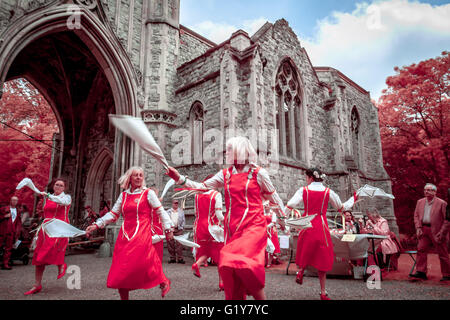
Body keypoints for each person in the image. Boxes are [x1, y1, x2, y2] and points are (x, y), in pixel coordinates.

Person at [166, 136, 286, 300]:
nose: (226, 152)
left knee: (240, 262)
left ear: (239, 150)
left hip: (253, 226)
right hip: (233, 229)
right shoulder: (226, 174)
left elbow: (275, 198)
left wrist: (282, 219)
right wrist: (179, 178)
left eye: (229, 149)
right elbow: (203, 187)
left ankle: (253, 288)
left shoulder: (259, 173)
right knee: (228, 267)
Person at [86, 166, 174, 300]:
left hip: (142, 231)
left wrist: (168, 229)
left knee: (145, 259)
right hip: (125, 233)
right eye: (135, 175)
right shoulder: (124, 195)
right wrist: (96, 224)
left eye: (141, 175)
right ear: (130, 178)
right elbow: (113, 213)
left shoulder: (148, 193)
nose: (138, 177)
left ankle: (162, 281)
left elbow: (160, 211)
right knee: (122, 267)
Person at [285, 168, 355, 300]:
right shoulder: (329, 192)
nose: (306, 180)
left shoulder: (303, 191)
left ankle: (301, 271)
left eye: (306, 177)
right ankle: (323, 292)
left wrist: (282, 219)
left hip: (307, 224)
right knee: (322, 256)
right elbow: (341, 207)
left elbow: (290, 205)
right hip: (321, 226)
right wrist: (353, 198)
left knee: (306, 249)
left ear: (311, 177)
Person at [24, 178, 71, 295]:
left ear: (64, 188)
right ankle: (37, 284)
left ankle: (61, 264)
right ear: (53, 186)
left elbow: (62, 202)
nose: (58, 187)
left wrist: (49, 196)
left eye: (61, 185)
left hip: (59, 227)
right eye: (56, 185)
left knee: (51, 248)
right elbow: (45, 213)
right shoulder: (48, 198)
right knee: (38, 256)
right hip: (46, 228)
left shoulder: (66, 197)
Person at [410, 183, 449, 281]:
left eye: (429, 190)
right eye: (425, 190)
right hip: (423, 229)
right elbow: (416, 216)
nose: (426, 191)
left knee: (442, 252)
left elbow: (447, 219)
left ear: (435, 192)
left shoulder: (442, 203)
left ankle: (447, 274)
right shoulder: (420, 202)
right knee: (421, 249)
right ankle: (421, 272)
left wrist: (442, 232)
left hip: (437, 231)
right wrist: (418, 227)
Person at [191, 175, 224, 290]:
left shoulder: (196, 195)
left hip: (199, 226)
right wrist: (226, 222)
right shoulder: (216, 195)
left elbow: (196, 213)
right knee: (220, 255)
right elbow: (219, 215)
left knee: (206, 250)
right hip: (212, 227)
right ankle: (221, 282)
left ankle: (197, 264)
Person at [0, 196, 23, 270]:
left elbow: (18, 223)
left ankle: (5, 264)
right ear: (10, 201)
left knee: (8, 249)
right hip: (2, 231)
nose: (14, 202)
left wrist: (17, 232)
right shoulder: (4, 209)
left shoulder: (18, 210)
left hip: (11, 231)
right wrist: (4, 216)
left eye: (16, 200)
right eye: (13, 200)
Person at [166, 199, 186, 264]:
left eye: (177, 203)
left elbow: (183, 220)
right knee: (170, 244)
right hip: (170, 229)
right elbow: (166, 220)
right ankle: (172, 258)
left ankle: (180, 258)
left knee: (179, 244)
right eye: (175, 203)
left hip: (178, 229)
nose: (176, 204)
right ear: (172, 204)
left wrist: (182, 227)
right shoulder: (168, 212)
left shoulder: (181, 212)